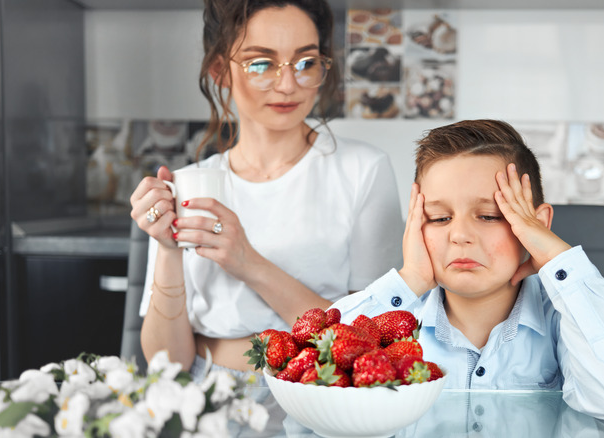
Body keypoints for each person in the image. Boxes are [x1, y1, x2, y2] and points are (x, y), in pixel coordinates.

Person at [129, 0, 403, 378]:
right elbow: (167, 363)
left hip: (320, 391)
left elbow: (373, 340)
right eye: (262, 63)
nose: (288, 84)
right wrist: (166, 249)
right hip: (208, 395)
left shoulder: (363, 170)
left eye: (306, 62)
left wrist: (247, 262)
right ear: (220, 70)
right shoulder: (188, 183)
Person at [331, 119, 604, 421]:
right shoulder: (398, 314)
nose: (459, 235)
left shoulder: (564, 317)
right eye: (439, 218)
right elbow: (318, 369)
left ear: (536, 227)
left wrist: (555, 255)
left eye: (489, 216)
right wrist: (410, 280)